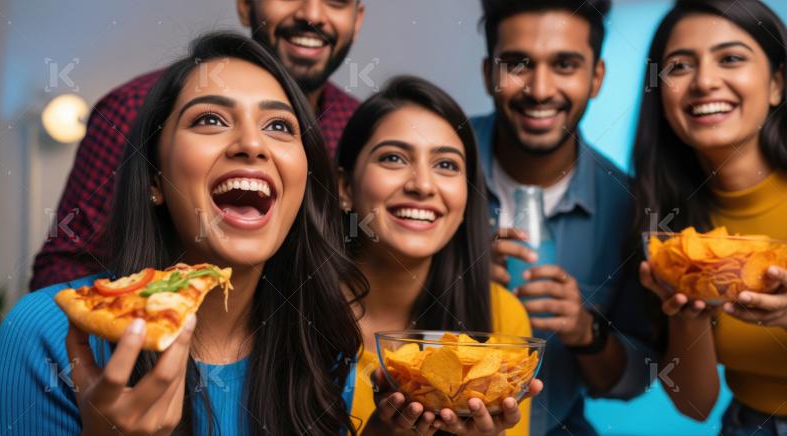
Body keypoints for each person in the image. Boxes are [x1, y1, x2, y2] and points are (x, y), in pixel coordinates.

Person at [0, 32, 368, 435]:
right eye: (210, 119)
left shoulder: (321, 346)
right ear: (154, 176)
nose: (252, 144)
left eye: (278, 125)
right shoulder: (43, 335)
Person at [30, 0, 365, 290]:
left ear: (357, 19)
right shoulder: (130, 108)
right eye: (210, 120)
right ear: (246, 6)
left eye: (336, 1)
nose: (312, 14)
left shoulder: (359, 128)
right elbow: (64, 268)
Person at [474, 1, 655, 434]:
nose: (539, 89)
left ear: (596, 78)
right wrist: (448, 279)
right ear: (488, 74)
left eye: (565, 65)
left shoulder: (630, 206)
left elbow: (637, 377)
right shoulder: (422, 173)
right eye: (518, 63)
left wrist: (587, 332)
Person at [336, 76, 542, 436]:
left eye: (446, 165)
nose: (423, 185)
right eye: (393, 158)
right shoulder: (290, 312)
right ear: (345, 189)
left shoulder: (502, 318)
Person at [631, 0, 787, 434]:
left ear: (777, 83)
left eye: (731, 58)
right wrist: (688, 311)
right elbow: (694, 405)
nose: (703, 81)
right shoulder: (666, 224)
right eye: (679, 67)